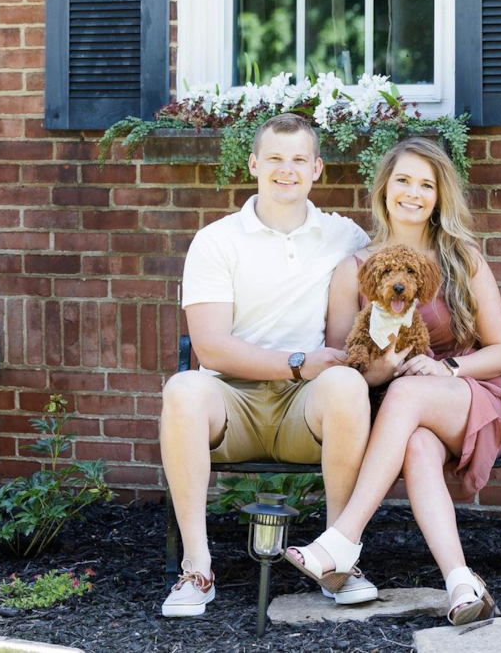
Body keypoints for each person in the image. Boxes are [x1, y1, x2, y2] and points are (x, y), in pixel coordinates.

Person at [284, 136, 501, 625]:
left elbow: (499, 353)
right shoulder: (353, 270)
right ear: (384, 189)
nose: (413, 192)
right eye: (404, 180)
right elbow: (346, 366)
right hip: (400, 408)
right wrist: (385, 368)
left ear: (439, 196)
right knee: (416, 445)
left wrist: (446, 368)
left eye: (426, 185)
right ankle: (461, 583)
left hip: (471, 393)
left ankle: (343, 540)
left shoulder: (461, 258)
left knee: (409, 392)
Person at [160, 112, 375, 617]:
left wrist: (500, 319)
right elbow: (211, 347)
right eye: (275, 158)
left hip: (305, 407)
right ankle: (196, 568)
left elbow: (408, 284)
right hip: (231, 402)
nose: (286, 170)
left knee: (347, 383)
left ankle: (338, 559)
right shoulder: (217, 240)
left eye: (299, 159)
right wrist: (297, 362)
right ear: (254, 163)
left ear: (317, 168)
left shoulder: (344, 236)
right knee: (183, 389)